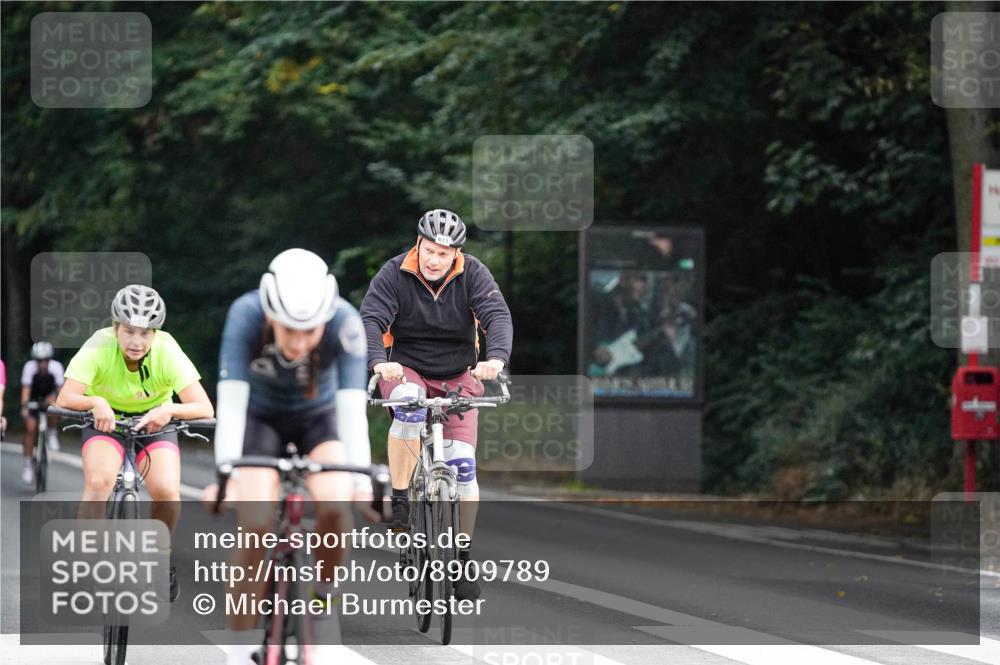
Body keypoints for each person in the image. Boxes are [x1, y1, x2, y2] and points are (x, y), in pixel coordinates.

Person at [212, 248, 372, 665]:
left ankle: (323, 602)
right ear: (270, 314)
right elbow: (230, 404)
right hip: (260, 422)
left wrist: (363, 485)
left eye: (310, 332)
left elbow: (352, 409)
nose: (300, 343)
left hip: (318, 421)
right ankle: (239, 643)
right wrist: (226, 474)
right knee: (257, 524)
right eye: (288, 331)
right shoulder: (245, 315)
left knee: (337, 508)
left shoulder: (345, 321)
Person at [360, 208, 513, 602]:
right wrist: (379, 361)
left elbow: (496, 316)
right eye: (429, 250)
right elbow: (371, 320)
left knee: (463, 468)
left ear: (456, 254)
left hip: (459, 372)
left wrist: (494, 359)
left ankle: (461, 557)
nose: (434, 259)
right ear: (419, 244)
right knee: (409, 407)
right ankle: (400, 500)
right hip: (406, 368)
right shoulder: (394, 272)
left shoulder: (474, 273)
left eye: (444, 254)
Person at [56, 284, 214, 601]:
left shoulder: (168, 350)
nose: (137, 341)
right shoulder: (98, 345)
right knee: (99, 481)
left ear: (156, 334)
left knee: (167, 491)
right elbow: (66, 397)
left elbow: (204, 408)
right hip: (105, 421)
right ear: (115, 329)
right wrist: (95, 402)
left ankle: (160, 555)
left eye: (146, 333)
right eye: (129, 331)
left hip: (154, 422)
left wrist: (168, 409)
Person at [19, 341, 65, 484]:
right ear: (35, 360)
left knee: (53, 408)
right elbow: (26, 390)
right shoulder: (29, 368)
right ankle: (28, 465)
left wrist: (60, 405)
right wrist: (24, 407)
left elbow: (60, 391)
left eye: (46, 360)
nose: (43, 363)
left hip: (49, 397)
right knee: (30, 429)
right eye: (39, 360)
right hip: (34, 398)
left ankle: (52, 433)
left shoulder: (56, 368)